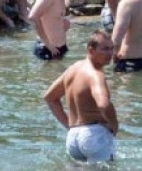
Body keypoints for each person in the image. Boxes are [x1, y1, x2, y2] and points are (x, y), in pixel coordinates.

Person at [43, 30, 118, 163]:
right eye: (105, 49)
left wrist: (68, 125)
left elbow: (50, 98)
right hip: (94, 135)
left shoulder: (73, 69)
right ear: (91, 50)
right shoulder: (95, 75)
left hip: (73, 137)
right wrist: (114, 126)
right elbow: (103, 104)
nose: (110, 54)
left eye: (112, 49)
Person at [28, 0, 98, 60]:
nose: (81, 0)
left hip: (57, 49)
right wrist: (48, 44)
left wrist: (62, 23)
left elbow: (50, 15)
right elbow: (33, 16)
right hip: (48, 50)